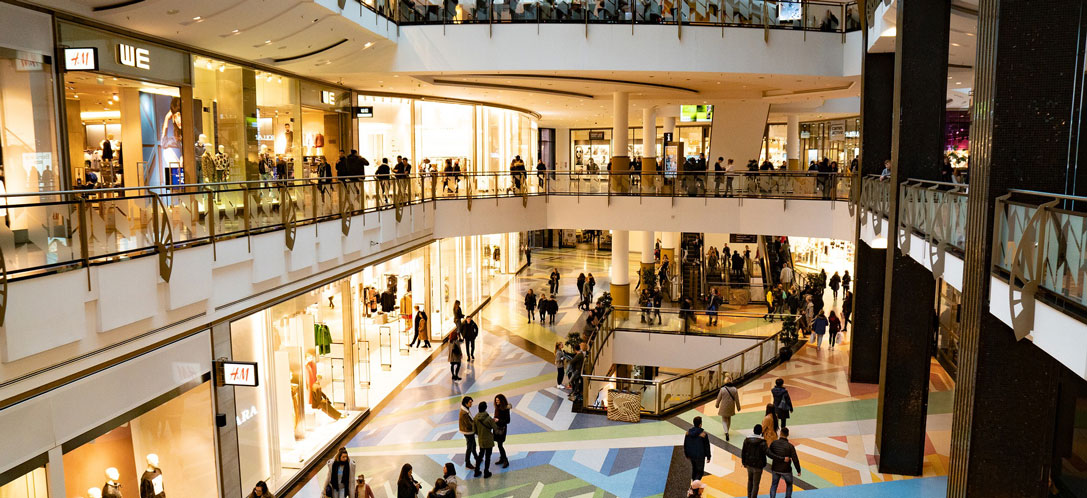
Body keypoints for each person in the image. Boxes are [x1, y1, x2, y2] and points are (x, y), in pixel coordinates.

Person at [767, 427, 801, 498]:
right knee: (789, 485)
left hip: (775, 469)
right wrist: (798, 470)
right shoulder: (790, 446)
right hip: (786, 470)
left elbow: (769, 453)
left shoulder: (774, 443)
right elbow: (795, 459)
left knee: (774, 485)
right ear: (787, 434)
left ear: (780, 433)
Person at [741, 424, 768, 498]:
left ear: (753, 430)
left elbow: (743, 451)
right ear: (760, 432)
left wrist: (744, 462)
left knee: (750, 481)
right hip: (758, 466)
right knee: (756, 484)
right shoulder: (763, 442)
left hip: (749, 464)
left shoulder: (747, 440)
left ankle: (749, 496)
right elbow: (767, 453)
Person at [473, 401, 498, 478]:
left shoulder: (475, 418)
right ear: (485, 408)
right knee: (488, 456)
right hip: (488, 440)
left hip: (481, 440)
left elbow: (474, 430)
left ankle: (476, 471)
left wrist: (480, 433)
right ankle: (486, 472)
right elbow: (495, 428)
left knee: (480, 455)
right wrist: (494, 421)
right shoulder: (488, 418)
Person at [683, 416, 712, 481]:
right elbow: (707, 446)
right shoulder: (703, 434)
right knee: (700, 472)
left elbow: (685, 444)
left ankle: (693, 483)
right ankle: (695, 487)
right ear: (700, 424)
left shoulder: (688, 433)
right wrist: (708, 456)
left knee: (694, 469)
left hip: (691, 455)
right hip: (700, 456)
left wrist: (686, 454)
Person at [714, 376, 741, 441]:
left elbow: (719, 398)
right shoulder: (734, 389)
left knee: (724, 420)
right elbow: (737, 400)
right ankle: (727, 431)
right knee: (729, 419)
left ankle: (726, 432)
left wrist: (717, 405)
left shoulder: (722, 389)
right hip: (731, 406)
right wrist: (738, 407)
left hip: (724, 406)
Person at [459, 397, 480, 470]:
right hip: (468, 432)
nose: (471, 404)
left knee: (473, 445)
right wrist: (476, 425)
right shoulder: (464, 413)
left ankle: (476, 457)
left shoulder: (466, 409)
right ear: (466, 403)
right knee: (470, 447)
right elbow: (468, 424)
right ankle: (467, 462)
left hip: (469, 431)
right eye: (470, 402)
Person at [493, 394, 512, 468]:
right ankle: (502, 459)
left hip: (502, 429)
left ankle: (505, 460)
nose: (496, 402)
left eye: (498, 400)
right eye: (496, 400)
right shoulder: (497, 407)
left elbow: (507, 421)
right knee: (499, 444)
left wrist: (498, 420)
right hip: (497, 428)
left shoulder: (505, 409)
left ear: (502, 401)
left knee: (500, 445)